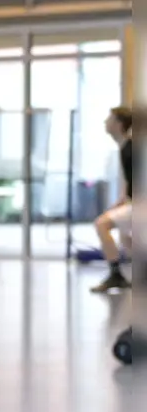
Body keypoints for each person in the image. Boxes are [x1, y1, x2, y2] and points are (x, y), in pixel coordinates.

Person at [91, 106, 132, 293]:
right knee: (127, 239)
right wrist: (123, 197)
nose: (105, 122)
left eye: (109, 119)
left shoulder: (133, 148)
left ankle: (116, 275)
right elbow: (129, 177)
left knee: (102, 224)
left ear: (119, 124)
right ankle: (119, 275)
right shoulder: (124, 147)